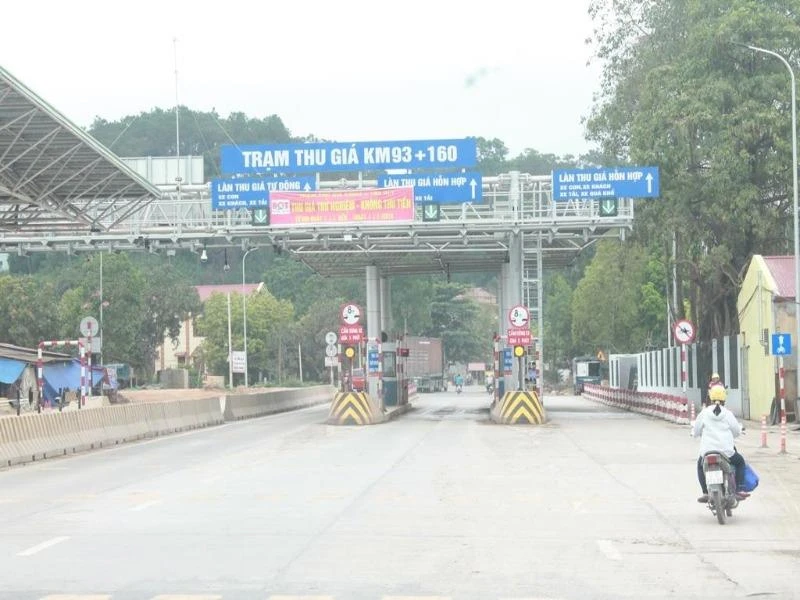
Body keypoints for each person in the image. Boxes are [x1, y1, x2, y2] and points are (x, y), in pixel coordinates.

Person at [691, 384, 747, 503]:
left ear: (710, 397)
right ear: (724, 398)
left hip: (707, 452)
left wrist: (696, 433)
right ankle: (739, 490)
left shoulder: (704, 413)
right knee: (740, 462)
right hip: (726, 453)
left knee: (700, 466)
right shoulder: (728, 414)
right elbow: (736, 431)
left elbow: (696, 431)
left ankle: (705, 492)